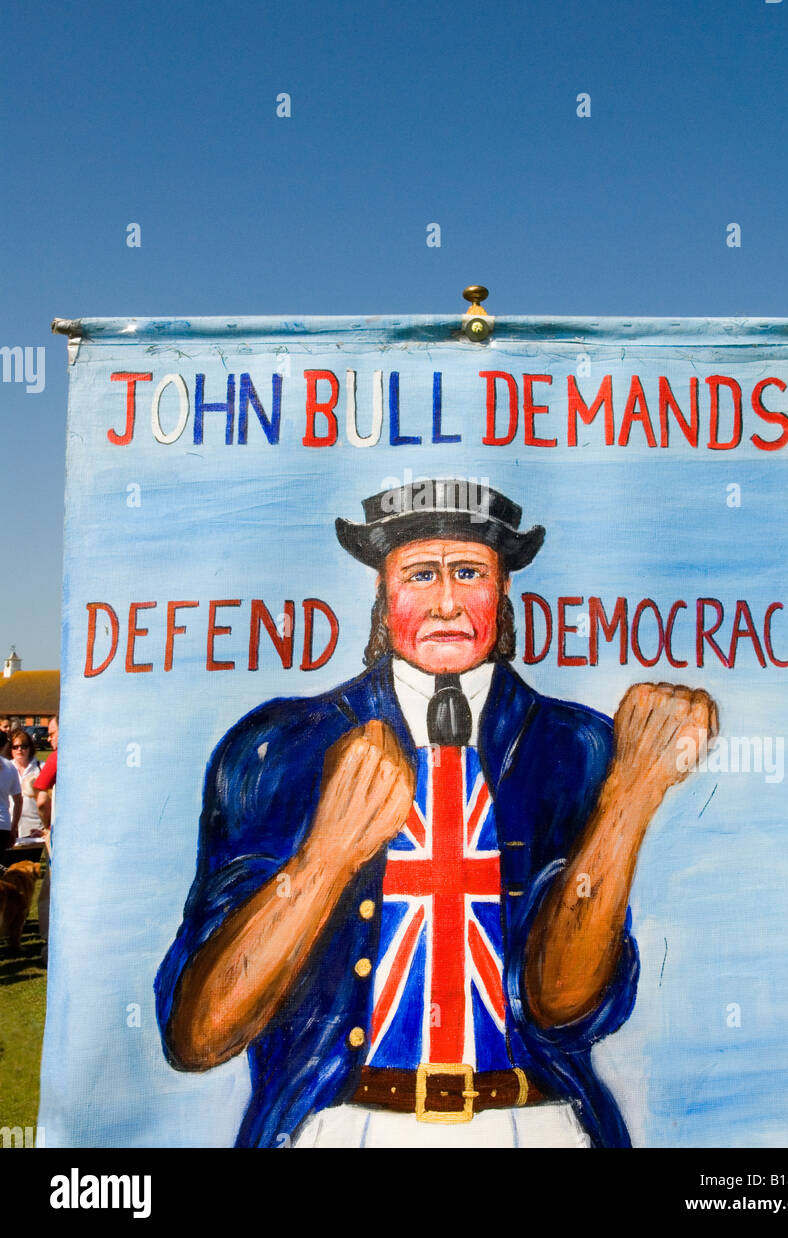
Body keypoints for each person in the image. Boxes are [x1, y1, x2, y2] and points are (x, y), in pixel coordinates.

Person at [156, 479, 716, 1148]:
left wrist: (628, 798)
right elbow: (199, 1034)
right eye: (421, 573)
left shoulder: (578, 746)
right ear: (383, 594)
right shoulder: (277, 748)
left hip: (533, 1122)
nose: (447, 602)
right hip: (338, 1124)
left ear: (502, 590)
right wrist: (323, 860)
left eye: (469, 572)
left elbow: (566, 1008)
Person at [32, 715, 58, 959]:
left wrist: (48, 825)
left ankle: (49, 946)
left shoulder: (58, 757)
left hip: (61, 836)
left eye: (52, 733)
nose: (48, 738)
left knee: (50, 891)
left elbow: (40, 796)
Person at [10, 729, 44, 839]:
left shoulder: (41, 768)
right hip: (8, 828)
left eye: (24, 746)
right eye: (15, 747)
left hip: (35, 827)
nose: (19, 749)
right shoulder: (6, 769)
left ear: (30, 748)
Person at [0, 728, 22, 855]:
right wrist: (13, 829)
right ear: (4, 746)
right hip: (3, 826)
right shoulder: (10, 767)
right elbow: (18, 801)